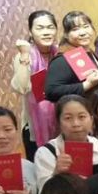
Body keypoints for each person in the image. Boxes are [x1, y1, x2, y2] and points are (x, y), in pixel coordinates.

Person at [10, 10, 59, 153]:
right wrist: (24, 55)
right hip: (34, 129)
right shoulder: (25, 56)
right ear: (31, 32)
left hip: (61, 125)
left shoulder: (60, 54)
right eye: (40, 28)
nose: (46, 32)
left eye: (50, 27)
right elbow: (22, 87)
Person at [33, 94, 98, 192]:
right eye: (68, 118)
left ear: (91, 120)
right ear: (59, 123)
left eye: (82, 117)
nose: (76, 124)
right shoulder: (46, 152)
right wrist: (57, 173)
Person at [45, 11, 98, 102]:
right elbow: (51, 92)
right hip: (79, 109)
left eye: (86, 26)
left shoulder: (90, 51)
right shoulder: (62, 59)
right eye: (75, 29)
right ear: (66, 35)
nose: (83, 33)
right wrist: (86, 84)